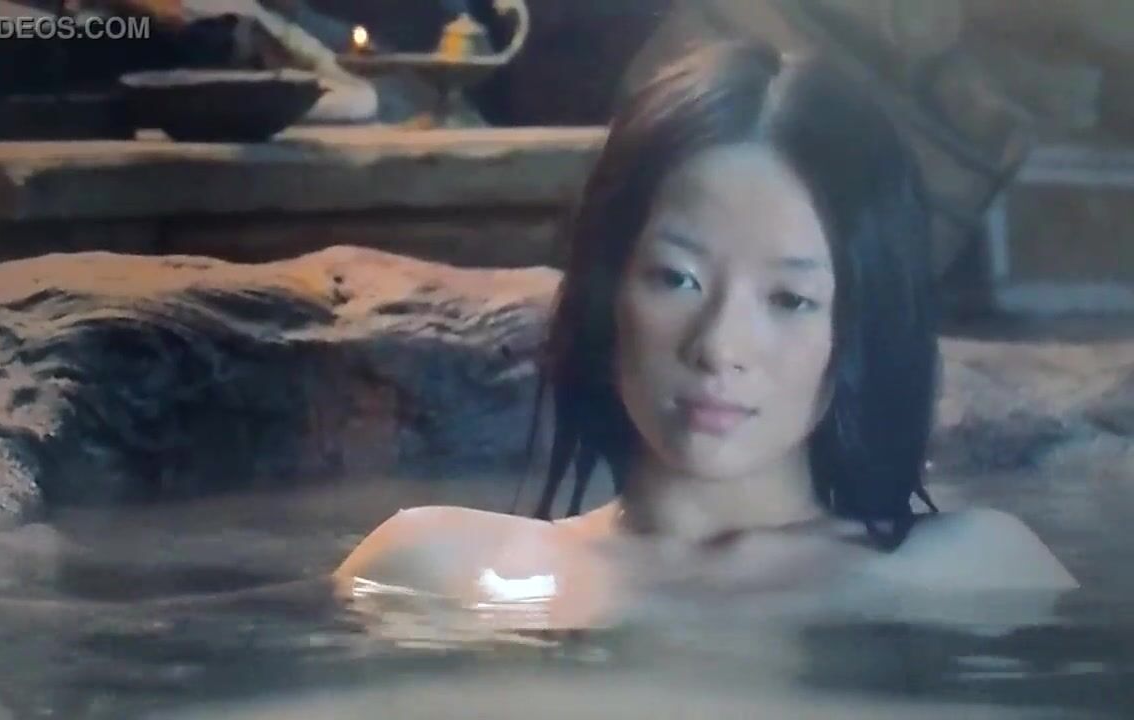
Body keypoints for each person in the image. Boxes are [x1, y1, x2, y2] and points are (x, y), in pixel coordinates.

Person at [332, 40, 1078, 630]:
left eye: (789, 299)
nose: (719, 346)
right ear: (606, 287)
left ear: (863, 324)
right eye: (677, 279)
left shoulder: (974, 573)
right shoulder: (429, 569)